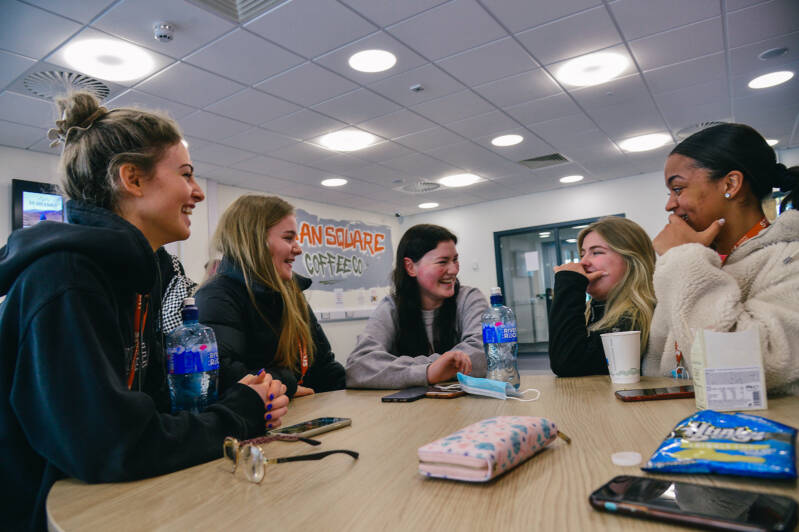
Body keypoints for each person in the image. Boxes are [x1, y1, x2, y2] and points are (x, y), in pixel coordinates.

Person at [0, 92, 288, 532]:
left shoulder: (141, 273)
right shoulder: (65, 277)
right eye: (186, 174)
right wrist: (239, 414)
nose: (197, 193)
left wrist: (241, 397)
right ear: (132, 179)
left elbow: (150, 410)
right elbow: (111, 445)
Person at [644, 123, 799, 394]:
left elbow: (742, 369)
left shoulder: (790, 257)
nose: (669, 204)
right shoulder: (700, 260)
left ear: (730, 184)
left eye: (678, 189)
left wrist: (683, 257)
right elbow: (657, 366)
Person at [195, 195, 346, 398]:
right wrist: (288, 384)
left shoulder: (292, 293)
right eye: (288, 238)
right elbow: (223, 374)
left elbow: (324, 367)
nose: (298, 249)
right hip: (258, 422)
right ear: (254, 241)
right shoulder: (217, 296)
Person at [346, 224, 488, 388]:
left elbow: (482, 354)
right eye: (443, 262)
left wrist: (423, 369)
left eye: (455, 260)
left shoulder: (469, 299)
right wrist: (428, 371)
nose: (453, 270)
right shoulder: (391, 307)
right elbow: (358, 366)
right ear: (410, 267)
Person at [548, 217, 656, 377]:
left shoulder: (634, 317)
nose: (583, 263)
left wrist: (569, 285)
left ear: (631, 261)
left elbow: (568, 363)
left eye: (596, 252)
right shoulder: (596, 310)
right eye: (582, 254)